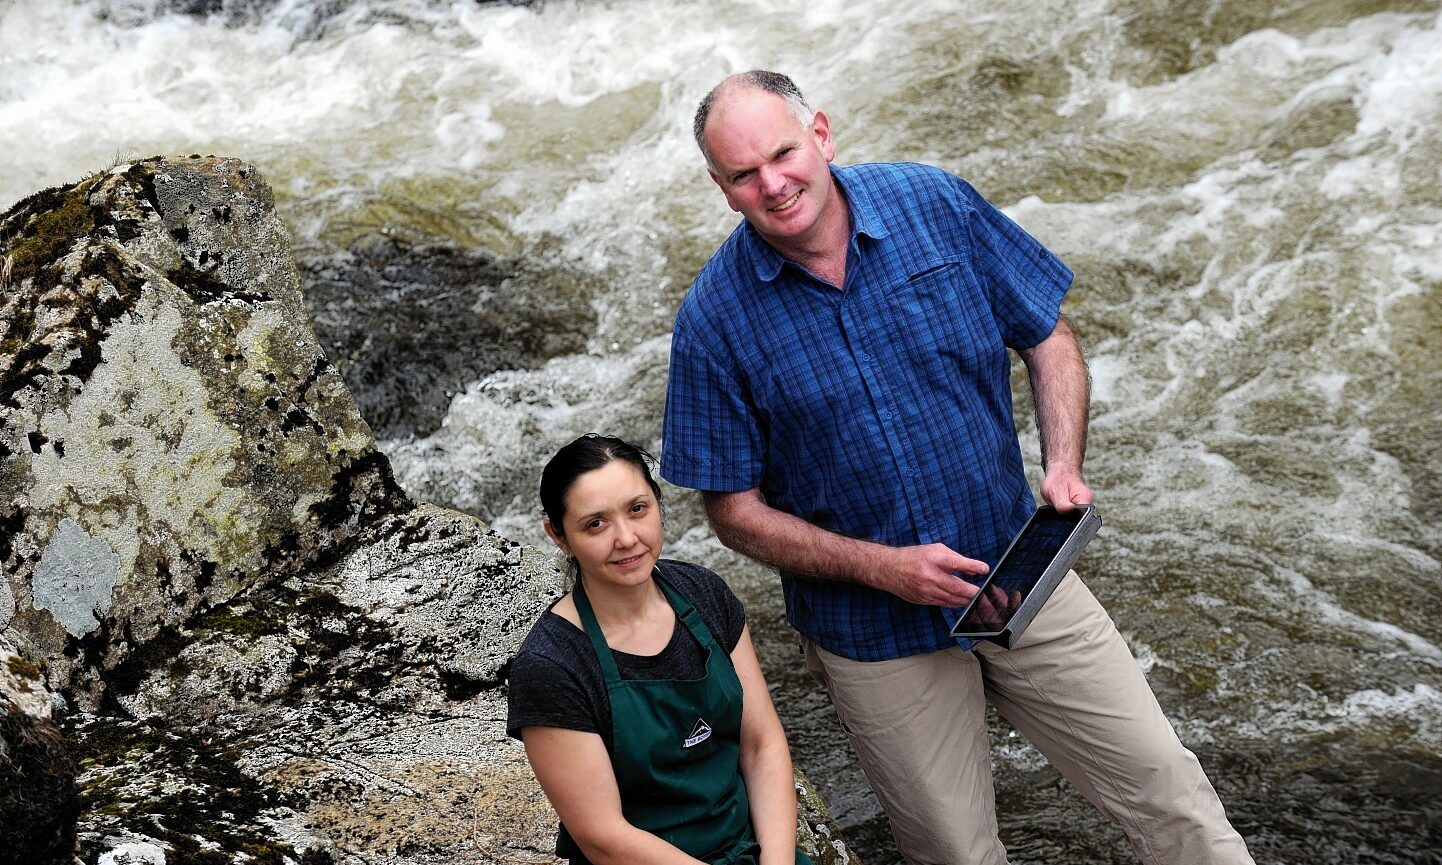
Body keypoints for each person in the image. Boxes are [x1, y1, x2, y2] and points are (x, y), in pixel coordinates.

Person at [660, 70, 1255, 865]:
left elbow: (1047, 333)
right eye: (743, 173)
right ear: (720, 186)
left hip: (1023, 573)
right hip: (874, 634)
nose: (773, 183)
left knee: (1171, 792)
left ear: (823, 136)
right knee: (957, 855)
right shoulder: (711, 322)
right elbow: (733, 511)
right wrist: (885, 567)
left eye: (783, 153)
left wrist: (1064, 464)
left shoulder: (932, 204)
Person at [507, 433, 815, 865]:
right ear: (558, 536)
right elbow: (603, 838)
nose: (627, 538)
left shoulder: (705, 594)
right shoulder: (552, 665)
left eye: (638, 510)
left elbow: (760, 744)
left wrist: (778, 860)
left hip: (748, 850)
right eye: (595, 523)